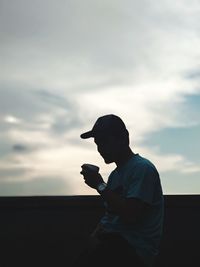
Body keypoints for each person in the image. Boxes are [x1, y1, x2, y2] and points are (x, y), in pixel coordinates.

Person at [73, 114, 164, 267]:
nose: (100, 149)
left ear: (123, 138)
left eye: (104, 141)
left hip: (133, 251)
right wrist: (92, 238)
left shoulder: (142, 169)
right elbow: (110, 217)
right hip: (114, 246)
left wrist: (100, 185)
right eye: (97, 143)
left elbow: (131, 214)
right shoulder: (115, 175)